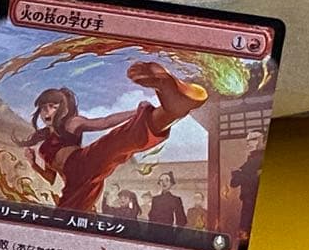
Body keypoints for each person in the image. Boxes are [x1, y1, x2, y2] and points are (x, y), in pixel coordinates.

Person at [16, 61, 208, 212]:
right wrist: (33, 164)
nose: (46, 111)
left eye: (52, 106)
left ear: (63, 109)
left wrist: (136, 113)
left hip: (84, 163)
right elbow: (50, 177)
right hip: (75, 187)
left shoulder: (71, 123)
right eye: (43, 107)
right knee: (64, 219)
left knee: (116, 143)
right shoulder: (43, 145)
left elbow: (105, 122)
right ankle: (174, 108)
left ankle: (173, 106)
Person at [231, 130, 265, 233]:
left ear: (264, 140)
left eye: (254, 139)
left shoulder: (260, 159)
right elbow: (234, 182)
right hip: (248, 202)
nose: (249, 143)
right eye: (248, 140)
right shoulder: (251, 160)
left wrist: (239, 174)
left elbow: (237, 179)